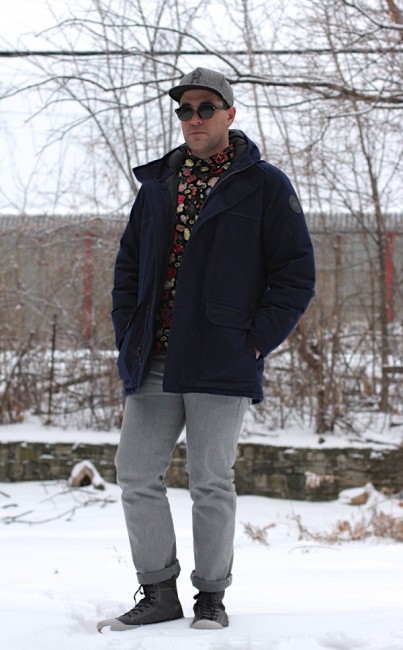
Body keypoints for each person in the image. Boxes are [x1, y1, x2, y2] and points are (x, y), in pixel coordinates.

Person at [97, 67, 315, 633]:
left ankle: (211, 596)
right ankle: (158, 592)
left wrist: (254, 341)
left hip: (223, 354)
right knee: (135, 472)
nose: (193, 118)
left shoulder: (265, 185)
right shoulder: (158, 186)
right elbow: (127, 268)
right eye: (185, 110)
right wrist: (128, 330)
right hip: (155, 353)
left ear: (229, 114)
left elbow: (295, 275)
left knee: (210, 480)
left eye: (205, 108)